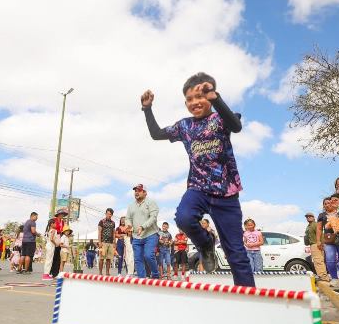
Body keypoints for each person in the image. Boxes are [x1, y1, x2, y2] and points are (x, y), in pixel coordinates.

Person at [141, 73, 255, 287]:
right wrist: (147, 109)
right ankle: (205, 243)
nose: (195, 102)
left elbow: (236, 126)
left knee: (236, 253)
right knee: (184, 218)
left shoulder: (220, 118)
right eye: (189, 99)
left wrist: (216, 99)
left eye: (200, 97)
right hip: (198, 188)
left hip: (226, 193)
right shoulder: (184, 126)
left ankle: (248, 296)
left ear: (210, 96)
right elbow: (156, 134)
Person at [125, 184, 160, 279]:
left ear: (145, 193)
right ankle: (142, 279)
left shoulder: (151, 203)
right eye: (135, 191)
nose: (136, 193)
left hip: (150, 234)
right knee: (138, 259)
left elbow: (153, 217)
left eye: (139, 191)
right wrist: (129, 225)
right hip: (136, 236)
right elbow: (128, 218)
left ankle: (155, 275)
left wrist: (143, 226)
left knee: (148, 255)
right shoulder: (131, 206)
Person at [98, 208, 116, 276]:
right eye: (108, 214)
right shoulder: (101, 221)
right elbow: (99, 232)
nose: (109, 215)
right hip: (103, 242)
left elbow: (114, 233)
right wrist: (99, 242)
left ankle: (107, 272)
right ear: (105, 214)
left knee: (109, 258)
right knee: (101, 258)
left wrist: (114, 242)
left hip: (110, 243)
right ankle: (100, 272)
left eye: (110, 214)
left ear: (112, 215)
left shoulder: (113, 223)